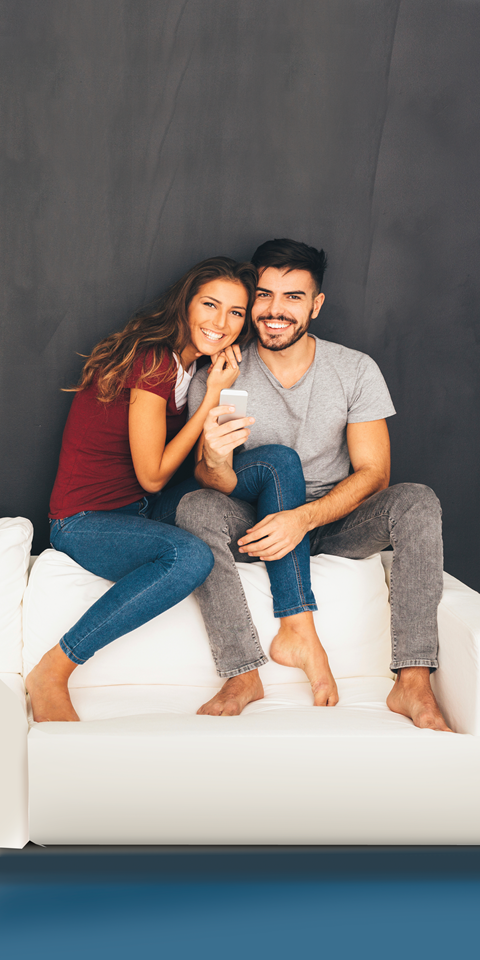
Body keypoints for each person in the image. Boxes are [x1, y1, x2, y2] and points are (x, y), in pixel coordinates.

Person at [176, 238, 450, 732]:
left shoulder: (354, 369)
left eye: (293, 297)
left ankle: (412, 681)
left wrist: (302, 518)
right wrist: (215, 458)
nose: (274, 310)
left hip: (334, 519)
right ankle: (242, 674)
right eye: (263, 295)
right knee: (195, 506)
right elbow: (213, 480)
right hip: (255, 518)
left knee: (417, 502)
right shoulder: (222, 370)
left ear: (316, 305)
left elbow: (374, 473)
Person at [26, 256, 259, 723]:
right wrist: (213, 397)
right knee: (191, 556)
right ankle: (53, 669)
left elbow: (158, 483)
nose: (221, 322)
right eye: (210, 305)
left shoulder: (193, 367)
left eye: (235, 312)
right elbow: (153, 474)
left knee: (258, 471)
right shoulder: (154, 360)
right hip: (83, 521)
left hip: (139, 508)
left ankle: (286, 626)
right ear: (185, 304)